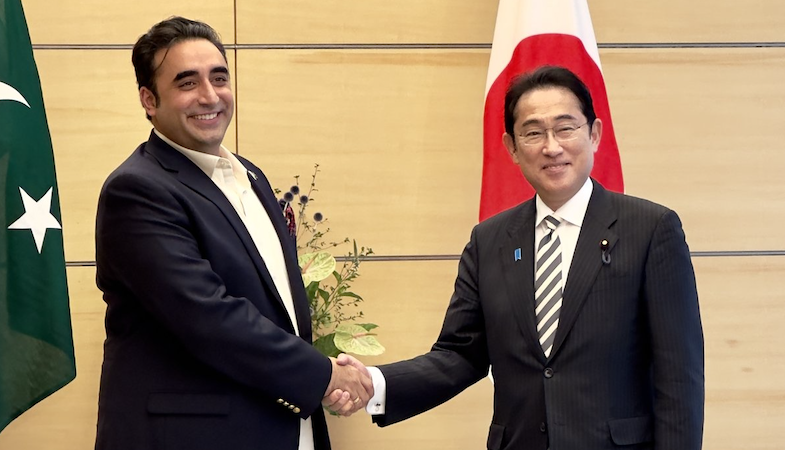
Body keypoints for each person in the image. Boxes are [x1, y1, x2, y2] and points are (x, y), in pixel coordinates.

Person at [329, 66, 704, 449]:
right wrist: (373, 383)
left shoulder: (650, 229)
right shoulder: (489, 241)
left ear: (594, 134)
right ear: (511, 147)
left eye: (566, 128)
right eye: (533, 132)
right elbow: (460, 355)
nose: (551, 146)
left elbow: (679, 377)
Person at [94, 16, 371, 450]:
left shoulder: (251, 176)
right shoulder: (138, 190)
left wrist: (319, 374)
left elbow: (273, 307)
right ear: (149, 99)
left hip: (280, 428)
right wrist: (323, 375)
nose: (210, 96)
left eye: (219, 78)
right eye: (187, 83)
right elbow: (208, 317)